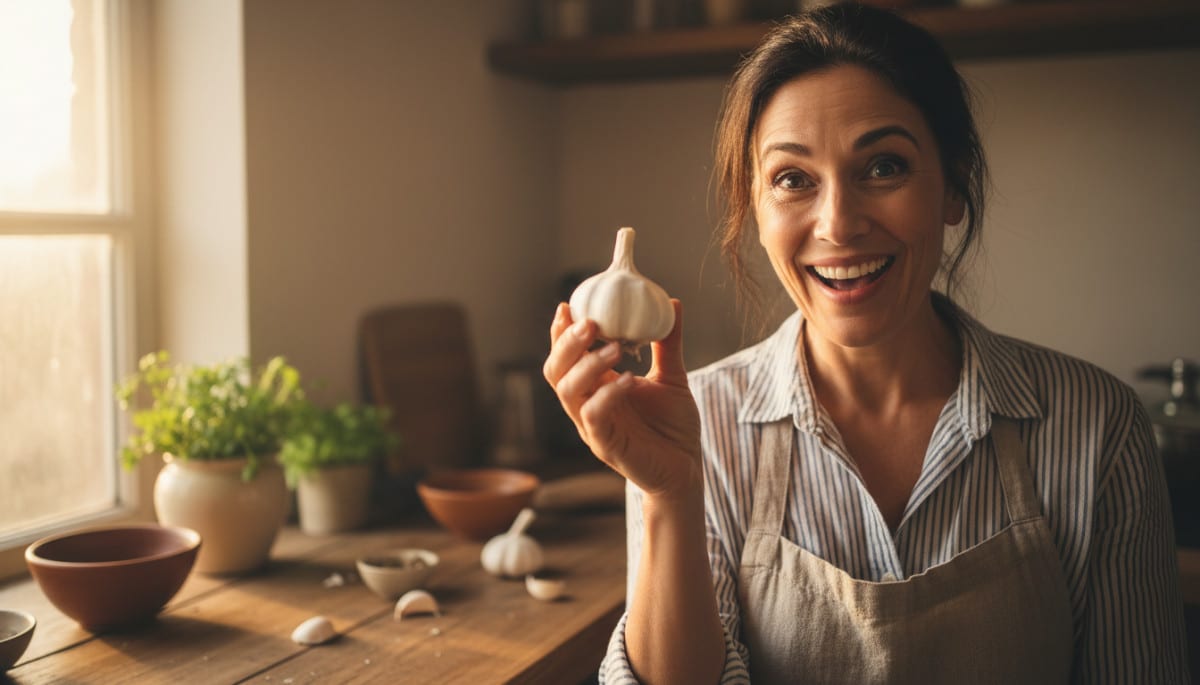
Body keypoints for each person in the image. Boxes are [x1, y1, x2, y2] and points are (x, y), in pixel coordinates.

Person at [542, 2, 1189, 683]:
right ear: (754, 209)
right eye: (793, 179)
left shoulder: (1098, 426)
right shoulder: (692, 424)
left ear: (953, 187)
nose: (839, 224)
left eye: (884, 167)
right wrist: (669, 492)